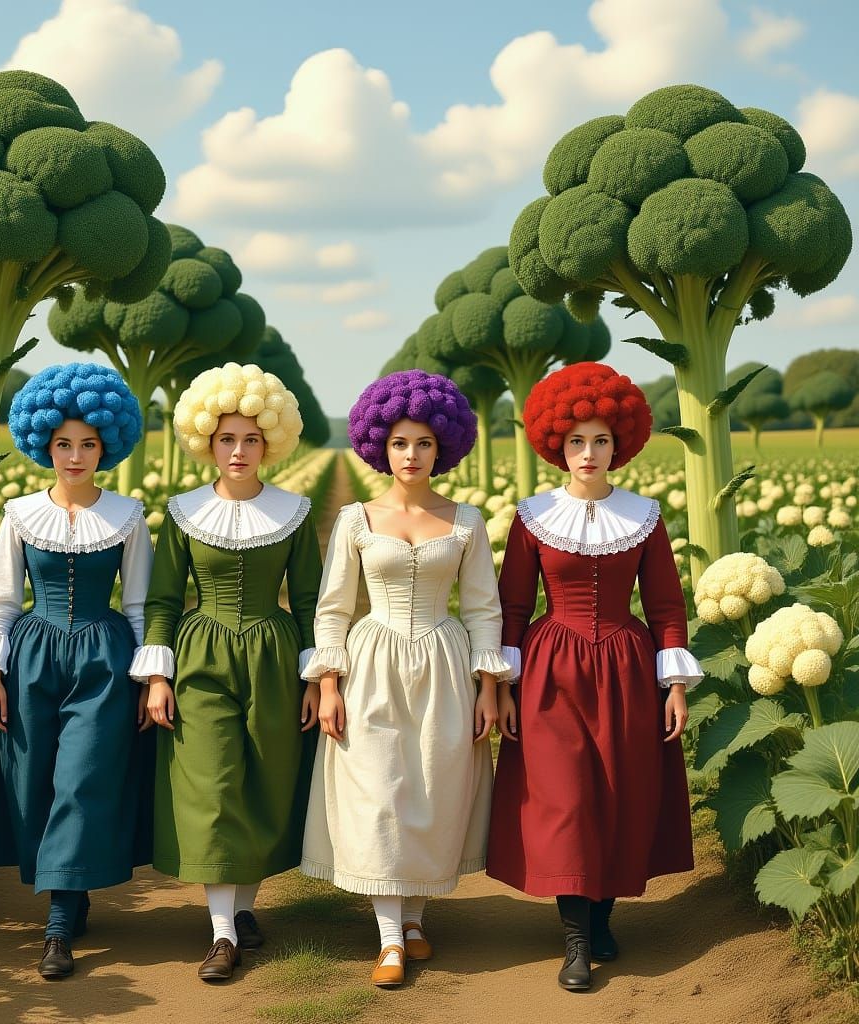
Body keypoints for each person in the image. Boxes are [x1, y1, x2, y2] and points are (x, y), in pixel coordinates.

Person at [486, 361, 702, 991]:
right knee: (567, 800)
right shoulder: (531, 517)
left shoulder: (645, 516)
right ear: (558, 444)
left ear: (619, 445)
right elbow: (514, 607)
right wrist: (502, 684)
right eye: (576, 441)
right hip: (551, 670)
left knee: (618, 792)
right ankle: (577, 939)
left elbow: (664, 606)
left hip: (627, 669)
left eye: (600, 440)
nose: (588, 452)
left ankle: (603, 916)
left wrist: (676, 685)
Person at [300, 369, 513, 988]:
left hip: (445, 664)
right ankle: (390, 939)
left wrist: (491, 687)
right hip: (372, 663)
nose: (411, 455)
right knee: (381, 792)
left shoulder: (467, 519)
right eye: (399, 443)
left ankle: (415, 920)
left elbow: (482, 608)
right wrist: (330, 683)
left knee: (434, 788)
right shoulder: (355, 519)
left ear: (442, 446)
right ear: (379, 446)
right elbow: (334, 608)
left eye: (422, 443)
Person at [130, 362, 322, 983]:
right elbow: (161, 599)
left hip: (273, 652)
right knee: (211, 784)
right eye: (227, 439)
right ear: (207, 443)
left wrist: (318, 677)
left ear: (271, 442)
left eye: (251, 440)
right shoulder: (182, 511)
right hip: (201, 654)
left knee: (262, 782)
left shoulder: (295, 511)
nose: (239, 451)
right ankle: (220, 935)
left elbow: (315, 601)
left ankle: (242, 912)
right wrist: (158, 675)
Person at [0, 362, 155, 980]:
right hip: (31, 657)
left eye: (88, 444)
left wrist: (145, 676)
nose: (75, 456)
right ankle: (67, 898)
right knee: (36, 784)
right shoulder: (21, 514)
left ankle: (57, 925)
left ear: (108, 444)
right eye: (63, 443)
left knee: (83, 780)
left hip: (102, 658)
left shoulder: (128, 515)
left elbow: (137, 605)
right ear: (43, 443)